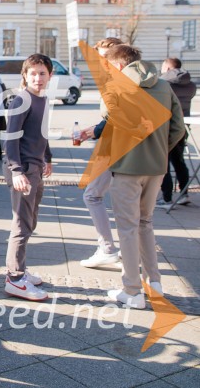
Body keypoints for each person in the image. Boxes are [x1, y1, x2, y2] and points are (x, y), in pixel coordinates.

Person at [102, 45, 184, 308]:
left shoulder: (117, 87)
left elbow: (109, 119)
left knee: (126, 228)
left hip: (128, 166)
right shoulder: (163, 85)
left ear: (118, 65)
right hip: (156, 167)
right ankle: (155, 283)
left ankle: (132, 291)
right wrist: (160, 149)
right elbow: (178, 128)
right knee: (145, 223)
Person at [3, 54, 53, 301]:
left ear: (50, 75)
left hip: (35, 166)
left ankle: (19, 269)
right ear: (25, 75)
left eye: (42, 73)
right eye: (33, 73)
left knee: (31, 220)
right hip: (22, 168)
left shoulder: (41, 99)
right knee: (21, 225)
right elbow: (10, 138)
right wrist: (16, 171)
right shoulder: (21, 100)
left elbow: (41, 133)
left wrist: (48, 156)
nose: (38, 78)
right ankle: (15, 278)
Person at [75, 37, 124, 268]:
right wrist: (96, 129)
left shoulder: (120, 81)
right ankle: (122, 249)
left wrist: (97, 130)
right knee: (126, 204)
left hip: (116, 148)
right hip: (116, 146)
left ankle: (108, 249)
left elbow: (119, 115)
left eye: (106, 57)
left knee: (93, 195)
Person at [157, 57, 196, 207]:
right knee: (179, 161)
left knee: (163, 162)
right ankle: (184, 193)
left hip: (165, 126)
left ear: (167, 68)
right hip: (183, 126)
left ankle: (166, 198)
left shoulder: (163, 84)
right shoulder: (190, 85)